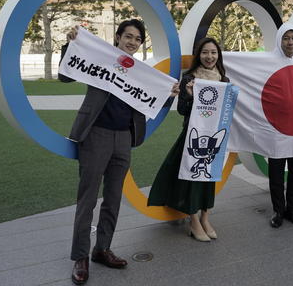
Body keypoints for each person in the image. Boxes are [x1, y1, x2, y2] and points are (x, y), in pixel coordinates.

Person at [59, 19, 179, 285]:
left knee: (113, 198)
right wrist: (71, 44)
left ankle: (102, 248)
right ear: (118, 37)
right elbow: (65, 75)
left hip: (125, 137)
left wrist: (169, 93)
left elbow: (153, 100)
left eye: (137, 39)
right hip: (96, 134)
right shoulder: (101, 59)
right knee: (88, 198)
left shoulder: (141, 71)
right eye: (128, 36)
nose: (132, 42)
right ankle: (80, 257)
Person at [148, 37, 229, 242]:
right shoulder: (189, 78)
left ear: (218, 55)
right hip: (193, 135)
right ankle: (193, 220)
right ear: (198, 55)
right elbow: (182, 110)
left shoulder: (223, 80)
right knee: (192, 176)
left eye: (213, 52)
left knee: (209, 177)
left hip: (213, 138)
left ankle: (205, 217)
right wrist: (191, 95)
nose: (209, 57)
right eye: (205, 52)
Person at [268, 25, 293, 228]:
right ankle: (278, 210)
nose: (291, 42)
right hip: (276, 129)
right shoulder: (268, 63)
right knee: (275, 174)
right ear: (279, 41)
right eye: (286, 38)